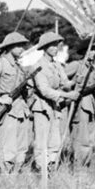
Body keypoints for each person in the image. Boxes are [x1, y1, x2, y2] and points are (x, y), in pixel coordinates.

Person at [0, 32, 32, 174]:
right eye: (19, 45)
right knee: (8, 148)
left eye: (23, 45)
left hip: (21, 109)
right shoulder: (0, 64)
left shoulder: (19, 67)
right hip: (7, 111)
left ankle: (15, 175)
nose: (22, 48)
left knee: (22, 148)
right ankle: (5, 178)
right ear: (10, 47)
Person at [29, 32, 77, 173]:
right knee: (42, 141)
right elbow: (44, 90)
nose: (56, 48)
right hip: (42, 107)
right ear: (44, 47)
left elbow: (65, 83)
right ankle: (40, 170)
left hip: (55, 108)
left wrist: (76, 81)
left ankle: (51, 167)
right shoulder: (38, 66)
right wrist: (67, 95)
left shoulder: (57, 65)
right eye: (52, 45)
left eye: (57, 45)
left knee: (55, 140)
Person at [65, 50, 95, 168]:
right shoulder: (76, 65)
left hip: (91, 107)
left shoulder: (92, 68)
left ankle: (85, 165)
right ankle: (78, 167)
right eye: (91, 49)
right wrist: (71, 91)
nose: (93, 52)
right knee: (80, 139)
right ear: (85, 51)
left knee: (89, 140)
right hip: (79, 107)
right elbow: (60, 81)